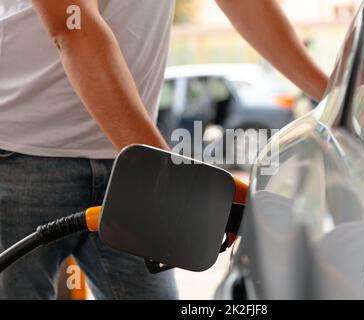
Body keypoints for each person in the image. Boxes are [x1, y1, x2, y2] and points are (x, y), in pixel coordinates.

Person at [0, 0, 328, 299]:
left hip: (127, 161)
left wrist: (334, 96)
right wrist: (176, 185)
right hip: (21, 155)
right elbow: (75, 28)